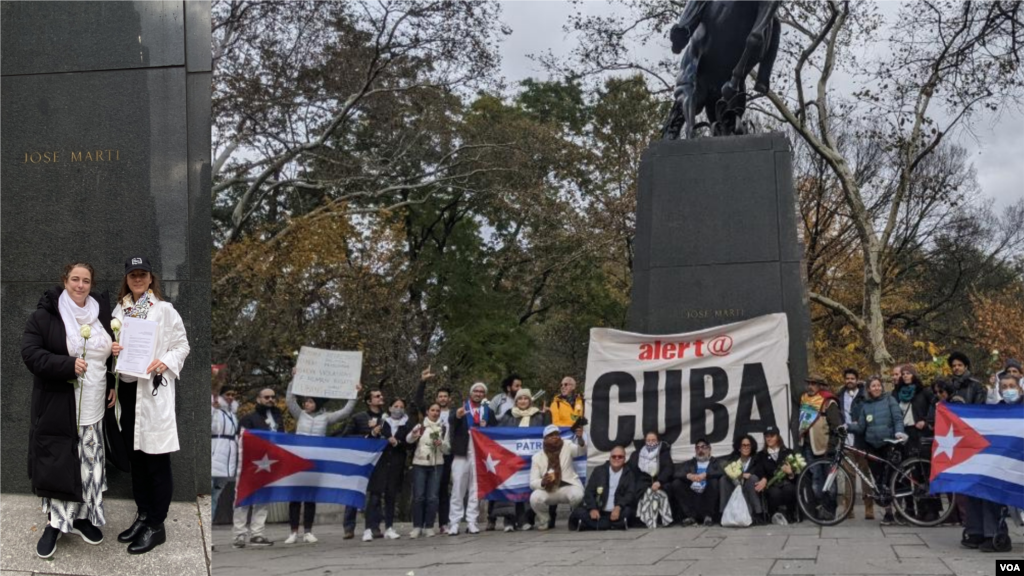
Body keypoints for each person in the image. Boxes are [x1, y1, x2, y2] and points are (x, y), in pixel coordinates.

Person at [22, 262, 119, 559]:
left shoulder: (102, 312)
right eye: (75, 279)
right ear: (65, 281)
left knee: (89, 463)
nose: (80, 285)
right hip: (58, 406)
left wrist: (113, 376)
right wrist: (67, 364)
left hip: (94, 405)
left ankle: (79, 518)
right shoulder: (45, 315)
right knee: (59, 462)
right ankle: (54, 523)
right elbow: (30, 354)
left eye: (86, 280)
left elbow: (105, 353)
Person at [110, 256, 190, 554]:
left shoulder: (165, 310)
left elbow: (182, 345)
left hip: (152, 392)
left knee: (156, 460)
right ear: (127, 279)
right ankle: (143, 516)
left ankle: (157, 525)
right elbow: (113, 347)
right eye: (133, 275)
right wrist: (113, 347)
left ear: (151, 278)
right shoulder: (122, 309)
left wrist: (165, 361)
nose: (138, 279)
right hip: (128, 391)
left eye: (143, 275)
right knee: (137, 460)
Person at [283, 374, 359, 544]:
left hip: (315, 462)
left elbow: (345, 412)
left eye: (310, 401)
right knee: (295, 498)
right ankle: (293, 532)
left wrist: (354, 393)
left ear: (317, 403)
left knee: (310, 497)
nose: (306, 404)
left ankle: (308, 531)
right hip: (297, 460)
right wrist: (293, 379)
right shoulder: (300, 415)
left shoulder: (326, 417)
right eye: (305, 402)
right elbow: (289, 400)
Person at [963, 372, 1020, 553]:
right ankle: (976, 531)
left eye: (1011, 386)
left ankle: (994, 533)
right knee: (974, 484)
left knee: (991, 488)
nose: (1008, 390)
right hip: (1002, 463)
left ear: (1019, 388)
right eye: (1004, 387)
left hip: (1018, 466)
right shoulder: (996, 411)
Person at [847, 375, 906, 526]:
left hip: (888, 444)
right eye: (873, 386)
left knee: (892, 479)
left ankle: (901, 512)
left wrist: (899, 432)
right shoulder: (866, 406)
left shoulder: (889, 400)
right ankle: (888, 513)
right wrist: (847, 427)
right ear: (868, 389)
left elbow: (898, 418)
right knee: (879, 481)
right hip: (872, 446)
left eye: (878, 385)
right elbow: (861, 426)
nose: (877, 388)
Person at [233, 388, 283, 548]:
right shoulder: (249, 419)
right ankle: (239, 534)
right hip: (250, 464)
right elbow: (240, 440)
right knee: (244, 497)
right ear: (258, 399)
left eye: (273, 397)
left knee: (263, 499)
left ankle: (257, 533)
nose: (270, 399)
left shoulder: (278, 417)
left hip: (271, 463)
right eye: (266, 397)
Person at [494, 388, 550, 531]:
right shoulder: (508, 415)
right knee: (512, 487)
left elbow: (548, 431)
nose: (523, 401)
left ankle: (525, 519)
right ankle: (509, 521)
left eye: (526, 398)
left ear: (530, 400)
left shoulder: (539, 416)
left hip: (531, 459)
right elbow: (500, 435)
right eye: (520, 399)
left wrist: (548, 415)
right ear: (516, 401)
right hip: (511, 458)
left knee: (526, 487)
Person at [447, 382, 496, 535]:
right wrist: (456, 415)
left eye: (482, 392)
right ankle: (454, 522)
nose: (478, 393)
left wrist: (485, 427)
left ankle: (472, 521)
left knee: (475, 489)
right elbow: (451, 421)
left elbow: (495, 432)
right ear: (471, 393)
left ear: (484, 395)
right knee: (458, 488)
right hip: (462, 452)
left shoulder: (488, 411)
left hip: (480, 454)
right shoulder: (461, 408)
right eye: (476, 391)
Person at [340, 388, 387, 541]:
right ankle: (349, 527)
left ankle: (374, 526)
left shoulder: (386, 418)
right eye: (377, 396)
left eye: (381, 395)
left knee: (375, 495)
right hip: (359, 462)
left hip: (378, 461)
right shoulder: (358, 417)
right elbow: (346, 436)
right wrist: (367, 436)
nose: (381, 397)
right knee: (354, 493)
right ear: (369, 401)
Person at [413, 366, 455, 533]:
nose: (443, 399)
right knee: (423, 493)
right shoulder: (428, 415)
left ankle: (442, 523)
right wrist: (422, 382)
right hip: (425, 458)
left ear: (449, 399)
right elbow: (418, 401)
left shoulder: (453, 414)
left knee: (442, 490)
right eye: (440, 397)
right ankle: (420, 524)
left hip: (445, 455)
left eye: (445, 396)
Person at [797, 373, 843, 519]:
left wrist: (832, 446)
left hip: (826, 447)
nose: (810, 386)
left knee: (830, 481)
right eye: (808, 383)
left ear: (820, 385)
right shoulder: (804, 399)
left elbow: (836, 426)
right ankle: (820, 509)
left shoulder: (829, 402)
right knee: (816, 480)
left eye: (814, 383)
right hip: (809, 446)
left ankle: (831, 510)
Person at [406, 403, 451, 538]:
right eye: (432, 410)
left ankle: (429, 526)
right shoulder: (421, 426)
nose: (435, 413)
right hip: (420, 463)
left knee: (433, 497)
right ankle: (417, 526)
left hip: (437, 464)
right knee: (419, 496)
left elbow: (448, 449)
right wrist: (414, 435)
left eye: (437, 411)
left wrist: (441, 444)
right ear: (427, 411)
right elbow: (408, 440)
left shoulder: (443, 427)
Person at [529, 424, 586, 530]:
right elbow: (532, 482)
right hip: (549, 489)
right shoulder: (536, 458)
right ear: (545, 439)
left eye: (556, 434)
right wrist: (543, 482)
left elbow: (580, 451)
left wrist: (580, 439)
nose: (554, 437)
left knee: (578, 495)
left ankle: (575, 517)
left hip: (567, 486)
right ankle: (544, 519)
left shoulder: (567, 445)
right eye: (551, 435)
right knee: (534, 498)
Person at [485, 374, 524, 530]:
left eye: (521, 386)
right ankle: (491, 519)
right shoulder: (498, 400)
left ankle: (512, 519)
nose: (519, 389)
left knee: (514, 483)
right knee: (496, 482)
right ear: (509, 387)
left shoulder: (523, 400)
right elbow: (489, 417)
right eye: (516, 386)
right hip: (499, 446)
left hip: (516, 447)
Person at [546, 376, 585, 527]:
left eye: (566, 384)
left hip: (578, 438)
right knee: (556, 472)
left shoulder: (581, 400)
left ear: (574, 386)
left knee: (577, 473)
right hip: (562, 441)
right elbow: (556, 423)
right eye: (561, 384)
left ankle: (574, 516)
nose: (563, 386)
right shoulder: (556, 402)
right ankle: (551, 515)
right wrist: (571, 428)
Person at [371, 397, 411, 541]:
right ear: (389, 408)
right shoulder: (381, 421)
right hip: (380, 462)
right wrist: (374, 432)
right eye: (395, 405)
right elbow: (372, 439)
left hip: (396, 463)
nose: (398, 408)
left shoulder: (407, 424)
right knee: (375, 496)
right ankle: (371, 527)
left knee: (391, 496)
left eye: (401, 406)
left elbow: (409, 443)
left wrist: (398, 442)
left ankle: (389, 527)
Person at [569, 445, 635, 531]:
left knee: (628, 512)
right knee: (578, 512)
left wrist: (618, 507)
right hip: (599, 511)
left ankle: (594, 525)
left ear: (624, 459)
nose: (617, 459)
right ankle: (612, 525)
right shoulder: (599, 471)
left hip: (618, 511)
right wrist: (592, 508)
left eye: (620, 457)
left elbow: (630, 494)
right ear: (610, 458)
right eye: (614, 456)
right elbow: (589, 492)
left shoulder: (629, 473)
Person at [838, 368, 872, 519]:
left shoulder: (865, 395)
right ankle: (848, 508)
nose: (849, 381)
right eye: (847, 378)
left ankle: (869, 507)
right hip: (846, 441)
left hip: (862, 440)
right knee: (848, 476)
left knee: (865, 475)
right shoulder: (839, 395)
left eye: (852, 378)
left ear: (857, 379)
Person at [628, 430, 675, 528]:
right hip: (642, 484)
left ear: (658, 441)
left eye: (653, 440)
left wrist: (659, 482)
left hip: (660, 482)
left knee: (658, 493)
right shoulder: (637, 454)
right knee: (649, 492)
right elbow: (631, 470)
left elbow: (668, 468)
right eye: (648, 440)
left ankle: (653, 521)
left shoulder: (663, 453)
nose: (650, 442)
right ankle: (653, 520)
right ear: (645, 441)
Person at [752, 425, 798, 524]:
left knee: (789, 489)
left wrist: (790, 473)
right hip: (771, 484)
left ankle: (789, 514)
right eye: (767, 436)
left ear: (777, 437)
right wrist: (763, 478)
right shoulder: (761, 455)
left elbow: (797, 474)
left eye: (772, 436)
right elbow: (759, 470)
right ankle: (775, 514)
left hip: (786, 482)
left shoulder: (788, 452)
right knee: (774, 493)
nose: (769, 438)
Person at [671, 438, 722, 527]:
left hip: (708, 493)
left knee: (714, 481)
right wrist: (688, 476)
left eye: (703, 447)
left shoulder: (715, 462)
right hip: (693, 493)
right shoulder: (690, 463)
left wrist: (706, 475)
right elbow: (677, 473)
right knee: (676, 483)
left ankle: (708, 516)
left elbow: (721, 472)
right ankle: (691, 516)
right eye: (697, 448)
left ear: (709, 449)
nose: (700, 450)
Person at [719, 434, 763, 523]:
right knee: (723, 479)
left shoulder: (756, 459)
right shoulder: (732, 459)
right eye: (744, 445)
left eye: (748, 445)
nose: (746, 447)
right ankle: (723, 513)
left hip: (749, 486)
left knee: (753, 478)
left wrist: (749, 475)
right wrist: (740, 475)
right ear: (739, 448)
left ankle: (757, 514)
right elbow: (725, 470)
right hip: (734, 486)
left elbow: (760, 472)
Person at [211, 385, 239, 524]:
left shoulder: (233, 415)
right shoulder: (216, 411)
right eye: (228, 394)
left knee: (216, 495)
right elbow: (211, 427)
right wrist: (213, 409)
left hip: (228, 460)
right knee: (211, 495)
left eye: (233, 395)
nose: (230, 397)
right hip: (216, 453)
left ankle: (211, 522)